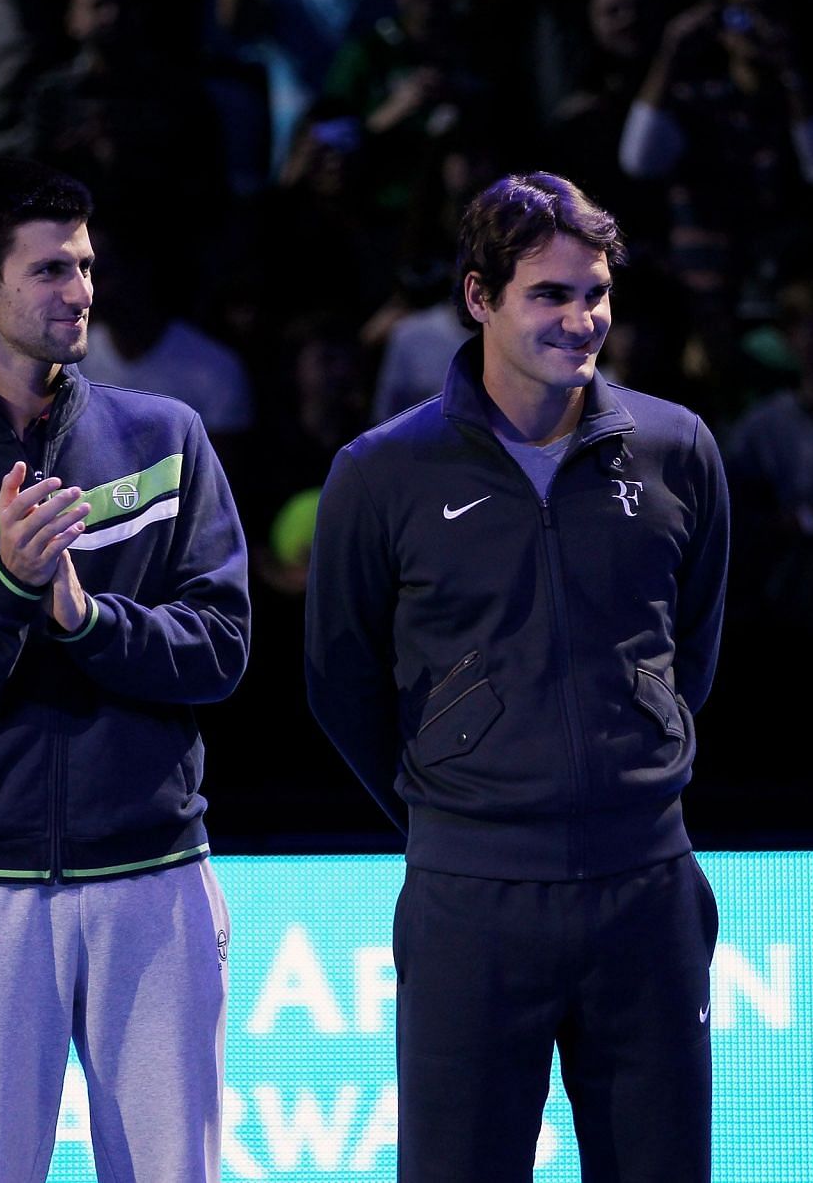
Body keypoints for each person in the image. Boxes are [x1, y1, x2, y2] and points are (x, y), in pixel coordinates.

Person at [305, 172, 728, 1181]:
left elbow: (692, 651)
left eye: (595, 293)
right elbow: (338, 679)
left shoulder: (677, 449)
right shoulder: (381, 471)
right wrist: (456, 802)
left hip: (648, 887)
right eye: (550, 294)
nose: (582, 318)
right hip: (470, 899)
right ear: (480, 297)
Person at [0, 159, 250, 1183]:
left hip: (155, 876)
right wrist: (8, 590)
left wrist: (84, 614)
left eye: (86, 264)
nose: (83, 291)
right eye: (52, 270)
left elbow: (222, 646)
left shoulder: (167, 438)